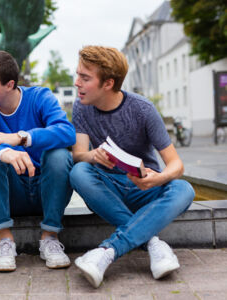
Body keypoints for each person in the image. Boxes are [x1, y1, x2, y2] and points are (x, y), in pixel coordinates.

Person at [69, 46, 195, 288]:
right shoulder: (81, 107)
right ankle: (152, 243)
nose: (77, 83)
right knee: (79, 172)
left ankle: (107, 251)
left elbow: (176, 165)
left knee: (184, 190)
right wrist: (93, 156)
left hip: (143, 188)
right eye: (78, 75)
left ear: (108, 83)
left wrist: (157, 179)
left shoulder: (142, 109)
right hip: (108, 190)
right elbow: (78, 155)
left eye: (85, 78)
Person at [0, 50, 76, 271]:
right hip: (11, 192)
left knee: (60, 154)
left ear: (9, 85)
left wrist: (20, 138)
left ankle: (50, 238)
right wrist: (5, 151)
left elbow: (67, 132)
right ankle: (5, 240)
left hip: (46, 190)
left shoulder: (40, 97)